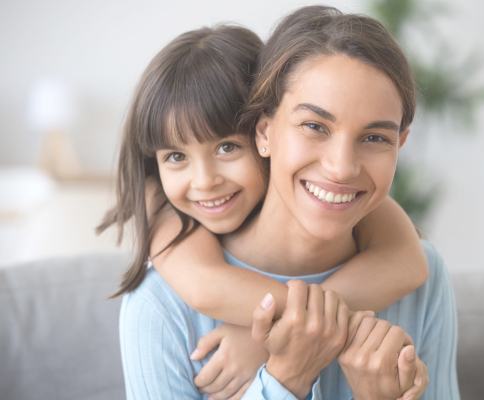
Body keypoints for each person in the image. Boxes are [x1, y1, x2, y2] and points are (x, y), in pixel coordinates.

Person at [99, 22, 431, 399]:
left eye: (226, 148)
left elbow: (411, 261)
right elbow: (203, 287)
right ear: (265, 132)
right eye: (313, 126)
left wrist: (270, 332)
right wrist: (284, 372)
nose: (205, 181)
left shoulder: (411, 262)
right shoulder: (161, 296)